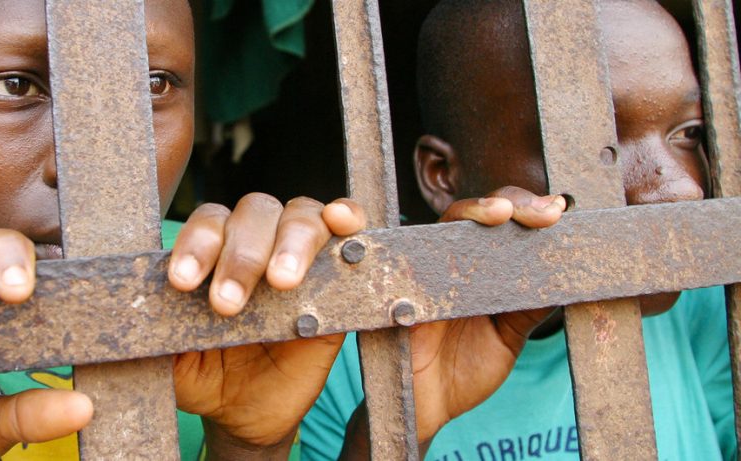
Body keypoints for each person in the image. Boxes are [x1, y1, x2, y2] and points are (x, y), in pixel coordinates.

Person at [0, 0, 564, 459]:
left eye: (153, 84)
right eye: (16, 86)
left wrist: (253, 443)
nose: (91, 158)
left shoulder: (234, 296)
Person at [301, 0, 735, 459]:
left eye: (688, 133)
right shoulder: (338, 348)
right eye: (593, 142)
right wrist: (394, 427)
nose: (682, 189)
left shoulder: (707, 306)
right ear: (441, 174)